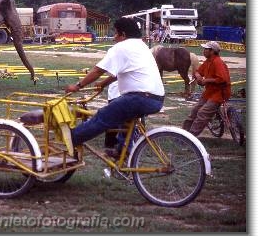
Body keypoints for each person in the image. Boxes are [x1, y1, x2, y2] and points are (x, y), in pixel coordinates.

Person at [65, 17, 165, 154]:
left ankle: (72, 138)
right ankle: (124, 154)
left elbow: (98, 70)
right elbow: (121, 72)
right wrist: (103, 83)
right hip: (156, 98)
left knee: (102, 117)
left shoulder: (121, 47)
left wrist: (77, 86)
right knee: (126, 123)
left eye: (115, 33)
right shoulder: (141, 46)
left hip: (139, 98)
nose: (114, 37)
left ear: (123, 35)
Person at [182, 41, 231, 136]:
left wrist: (206, 81)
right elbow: (198, 71)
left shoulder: (218, 62)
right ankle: (183, 134)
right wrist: (198, 76)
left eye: (206, 49)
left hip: (219, 93)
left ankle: (191, 137)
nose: (203, 51)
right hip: (209, 92)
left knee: (202, 113)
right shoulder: (208, 61)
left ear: (212, 51)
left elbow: (222, 79)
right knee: (194, 111)